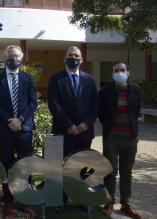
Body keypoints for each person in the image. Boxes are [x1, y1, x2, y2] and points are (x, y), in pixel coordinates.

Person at [47, 46, 100, 214]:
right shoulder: (56, 78)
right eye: (70, 55)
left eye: (77, 55)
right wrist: (68, 125)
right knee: (60, 168)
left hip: (84, 132)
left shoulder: (90, 80)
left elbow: (95, 104)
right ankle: (60, 201)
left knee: (81, 168)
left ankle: (81, 200)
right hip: (63, 131)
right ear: (64, 58)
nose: (73, 58)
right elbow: (53, 103)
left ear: (82, 59)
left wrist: (86, 124)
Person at [0, 45, 38, 213]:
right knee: (6, 165)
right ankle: (7, 201)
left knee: (26, 165)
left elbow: (33, 103)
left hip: (24, 129)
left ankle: (26, 199)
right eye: (10, 56)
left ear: (21, 58)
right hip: (5, 129)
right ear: (5, 59)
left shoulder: (28, 78)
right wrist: (10, 120)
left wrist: (20, 119)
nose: (13, 58)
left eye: (16, 56)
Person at [99, 61, 141, 219]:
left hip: (131, 137)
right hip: (112, 137)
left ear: (128, 72)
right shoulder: (105, 92)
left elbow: (136, 112)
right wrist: (111, 127)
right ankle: (109, 202)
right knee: (110, 171)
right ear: (112, 74)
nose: (119, 73)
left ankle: (126, 203)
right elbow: (101, 113)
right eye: (116, 70)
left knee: (127, 171)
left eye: (122, 70)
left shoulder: (135, 91)